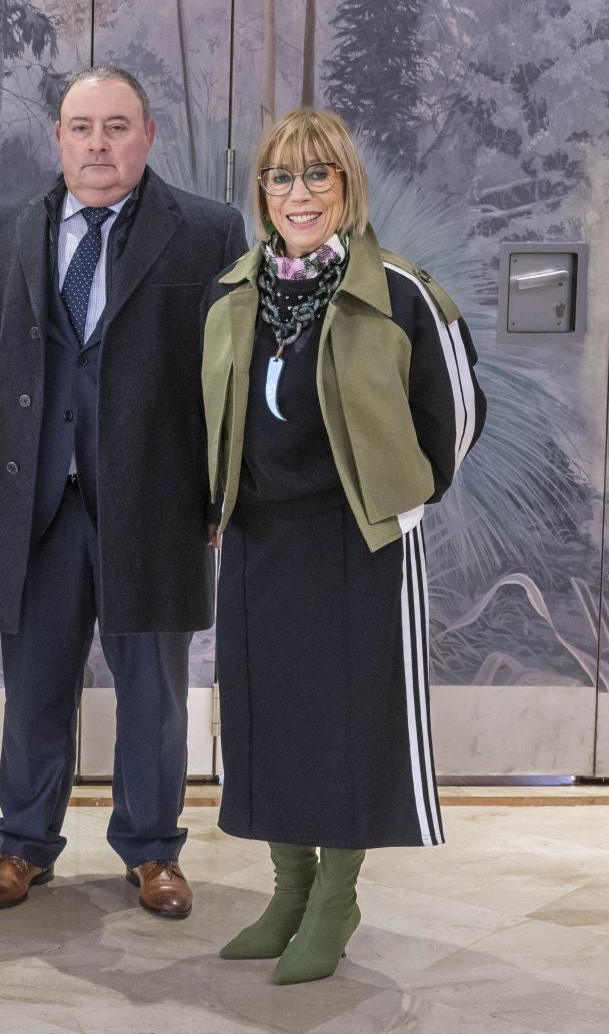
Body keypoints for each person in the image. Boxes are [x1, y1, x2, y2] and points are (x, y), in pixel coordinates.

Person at [203, 108, 484, 984]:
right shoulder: (233, 293)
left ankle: (336, 897)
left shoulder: (401, 291)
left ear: (347, 185)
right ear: (262, 192)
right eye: (282, 177)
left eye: (318, 174)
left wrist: (401, 497)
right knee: (273, 719)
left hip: (355, 542)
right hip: (260, 539)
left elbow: (458, 416)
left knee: (349, 722)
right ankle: (288, 887)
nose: (300, 193)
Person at [0, 66, 247, 918]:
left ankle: (154, 852)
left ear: (148, 135)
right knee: (35, 688)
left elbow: (228, 376)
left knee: (155, 692)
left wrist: (220, 496)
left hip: (156, 504)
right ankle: (22, 846)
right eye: (82, 127)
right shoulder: (4, 227)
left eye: (117, 127)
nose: (98, 144)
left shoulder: (205, 230)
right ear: (58, 136)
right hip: (38, 504)